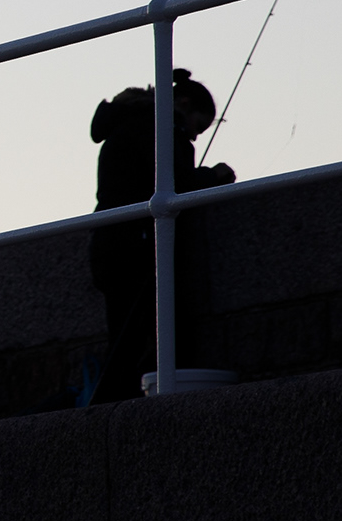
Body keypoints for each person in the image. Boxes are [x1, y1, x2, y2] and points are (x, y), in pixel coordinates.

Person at [86, 69, 234, 403]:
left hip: (111, 244)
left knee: (125, 339)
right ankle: (110, 412)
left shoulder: (132, 123)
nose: (194, 137)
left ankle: (113, 409)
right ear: (183, 103)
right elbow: (175, 185)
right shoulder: (158, 128)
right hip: (134, 247)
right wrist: (215, 176)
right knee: (137, 341)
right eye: (197, 126)